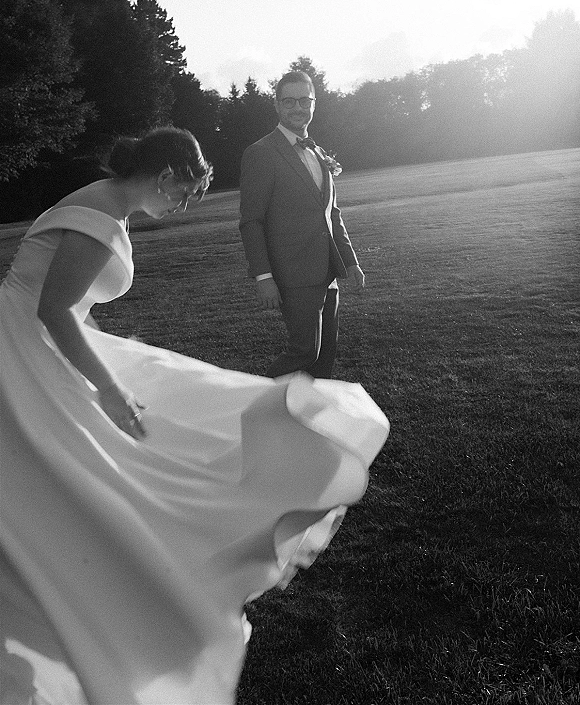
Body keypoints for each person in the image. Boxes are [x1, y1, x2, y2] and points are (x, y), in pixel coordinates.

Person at [0, 126, 389, 705]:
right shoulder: (101, 216)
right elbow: (53, 310)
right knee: (69, 477)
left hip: (32, 344)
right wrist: (107, 386)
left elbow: (56, 301)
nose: (180, 206)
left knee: (76, 469)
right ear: (164, 175)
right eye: (182, 194)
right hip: (24, 352)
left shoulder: (105, 201)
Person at [239, 70, 365, 379]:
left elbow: (332, 214)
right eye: (289, 101)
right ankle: (252, 404)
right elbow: (251, 222)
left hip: (328, 270)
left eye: (304, 100)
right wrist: (263, 277)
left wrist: (350, 262)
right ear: (278, 106)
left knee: (324, 356)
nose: (298, 108)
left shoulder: (317, 151)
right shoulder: (261, 153)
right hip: (292, 273)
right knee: (304, 350)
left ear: (314, 103)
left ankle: (305, 419)